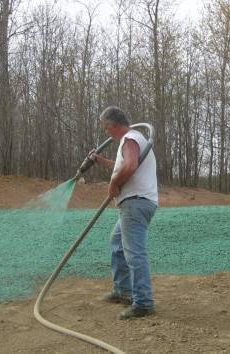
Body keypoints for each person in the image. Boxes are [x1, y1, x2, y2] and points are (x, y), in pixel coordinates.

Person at [91, 106, 158, 320]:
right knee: (117, 244)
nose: (105, 132)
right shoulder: (132, 140)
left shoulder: (130, 138)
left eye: (106, 127)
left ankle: (144, 303)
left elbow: (128, 167)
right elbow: (126, 165)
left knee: (134, 253)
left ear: (115, 125)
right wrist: (102, 162)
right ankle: (123, 290)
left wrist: (113, 184)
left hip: (135, 203)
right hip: (135, 202)